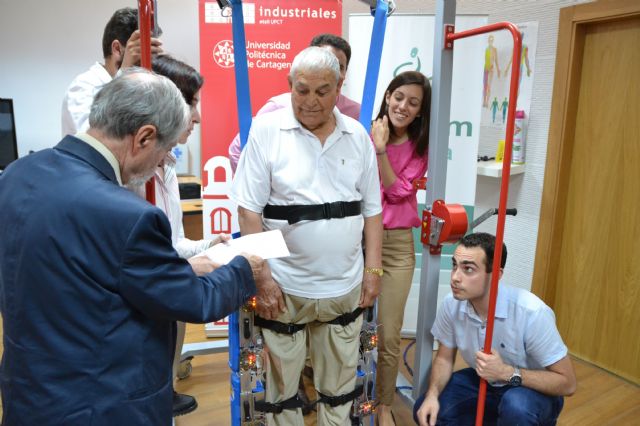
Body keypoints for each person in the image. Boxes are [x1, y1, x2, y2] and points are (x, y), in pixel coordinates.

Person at [0, 69, 268, 425]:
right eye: (164, 151)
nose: (161, 163)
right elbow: (194, 300)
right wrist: (245, 267)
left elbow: (83, 278)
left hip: (29, 393)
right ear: (144, 137)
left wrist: (185, 266)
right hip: (103, 405)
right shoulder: (128, 215)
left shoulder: (18, 174)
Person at [231, 46, 383, 425]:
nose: (311, 101)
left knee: (341, 390)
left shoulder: (358, 137)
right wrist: (262, 278)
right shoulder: (266, 132)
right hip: (283, 288)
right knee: (281, 396)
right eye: (302, 90)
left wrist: (374, 271)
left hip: (343, 288)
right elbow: (249, 212)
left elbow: (373, 212)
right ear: (289, 86)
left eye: (322, 91)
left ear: (339, 87)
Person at [413, 233, 576, 426]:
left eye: (468, 269)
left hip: (531, 390)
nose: (455, 277)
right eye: (455, 266)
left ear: (496, 275)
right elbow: (444, 357)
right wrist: (432, 395)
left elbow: (568, 383)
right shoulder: (452, 305)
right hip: (485, 382)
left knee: (516, 408)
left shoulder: (532, 313)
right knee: (425, 409)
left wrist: (506, 372)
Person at [145, 54, 214, 417]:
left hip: (168, 296)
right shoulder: (132, 177)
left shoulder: (167, 168)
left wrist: (212, 246)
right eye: (191, 104)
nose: (198, 117)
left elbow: (173, 243)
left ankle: (166, 391)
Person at [370, 70, 431, 426]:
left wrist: (380, 151)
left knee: (389, 331)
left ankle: (383, 405)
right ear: (388, 96)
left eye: (413, 102)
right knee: (344, 323)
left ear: (421, 111)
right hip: (358, 240)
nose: (403, 106)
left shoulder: (419, 148)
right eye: (398, 97)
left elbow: (396, 191)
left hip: (395, 247)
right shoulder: (362, 130)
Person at [228, 33, 361, 172]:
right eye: (324, 62)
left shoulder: (356, 114)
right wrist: (262, 184)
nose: (333, 71)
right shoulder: (277, 108)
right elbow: (238, 149)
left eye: (339, 67)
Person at [61, 7, 163, 136]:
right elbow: (91, 141)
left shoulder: (136, 87)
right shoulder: (84, 87)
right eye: (140, 56)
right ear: (117, 49)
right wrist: (124, 73)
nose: (149, 65)